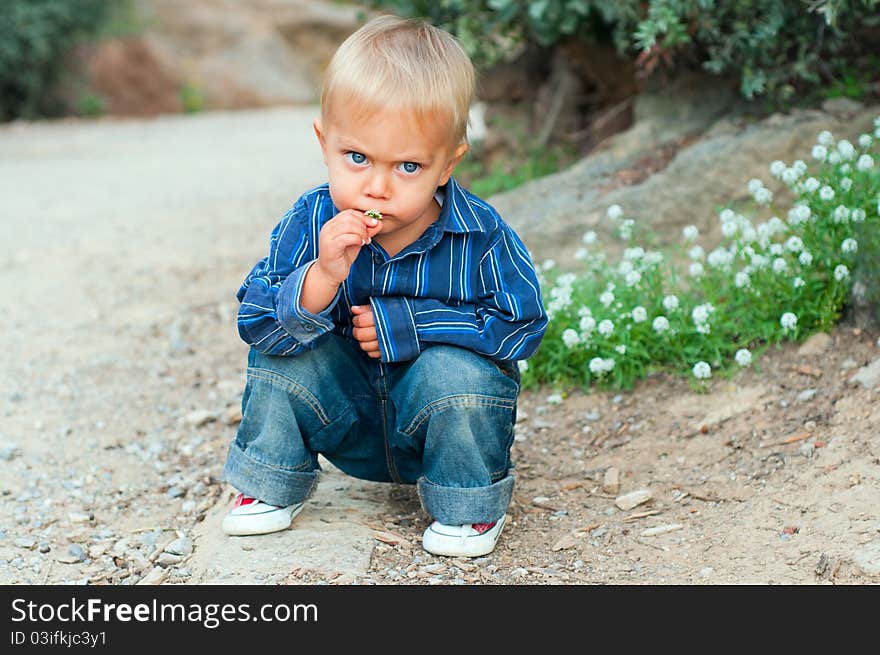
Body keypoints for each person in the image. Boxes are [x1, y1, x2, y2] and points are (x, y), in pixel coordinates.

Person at [220, 14, 548, 558]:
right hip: (344, 416)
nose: (377, 186)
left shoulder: (480, 235)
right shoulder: (309, 222)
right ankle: (272, 481)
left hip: (435, 423)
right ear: (324, 144)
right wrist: (323, 277)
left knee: (459, 369)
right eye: (357, 158)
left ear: (447, 164)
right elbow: (254, 320)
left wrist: (416, 326)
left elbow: (524, 325)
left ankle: (467, 504)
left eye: (410, 166)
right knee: (282, 352)